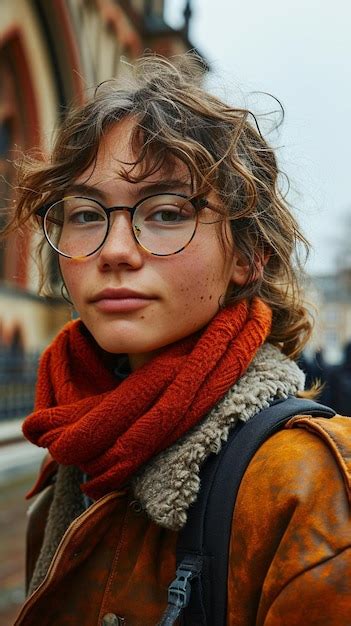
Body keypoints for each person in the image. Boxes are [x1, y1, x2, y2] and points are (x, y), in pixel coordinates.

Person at [7, 55, 351, 625]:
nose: (115, 250)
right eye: (87, 214)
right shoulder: (72, 449)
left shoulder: (308, 485)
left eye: (166, 212)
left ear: (247, 255)